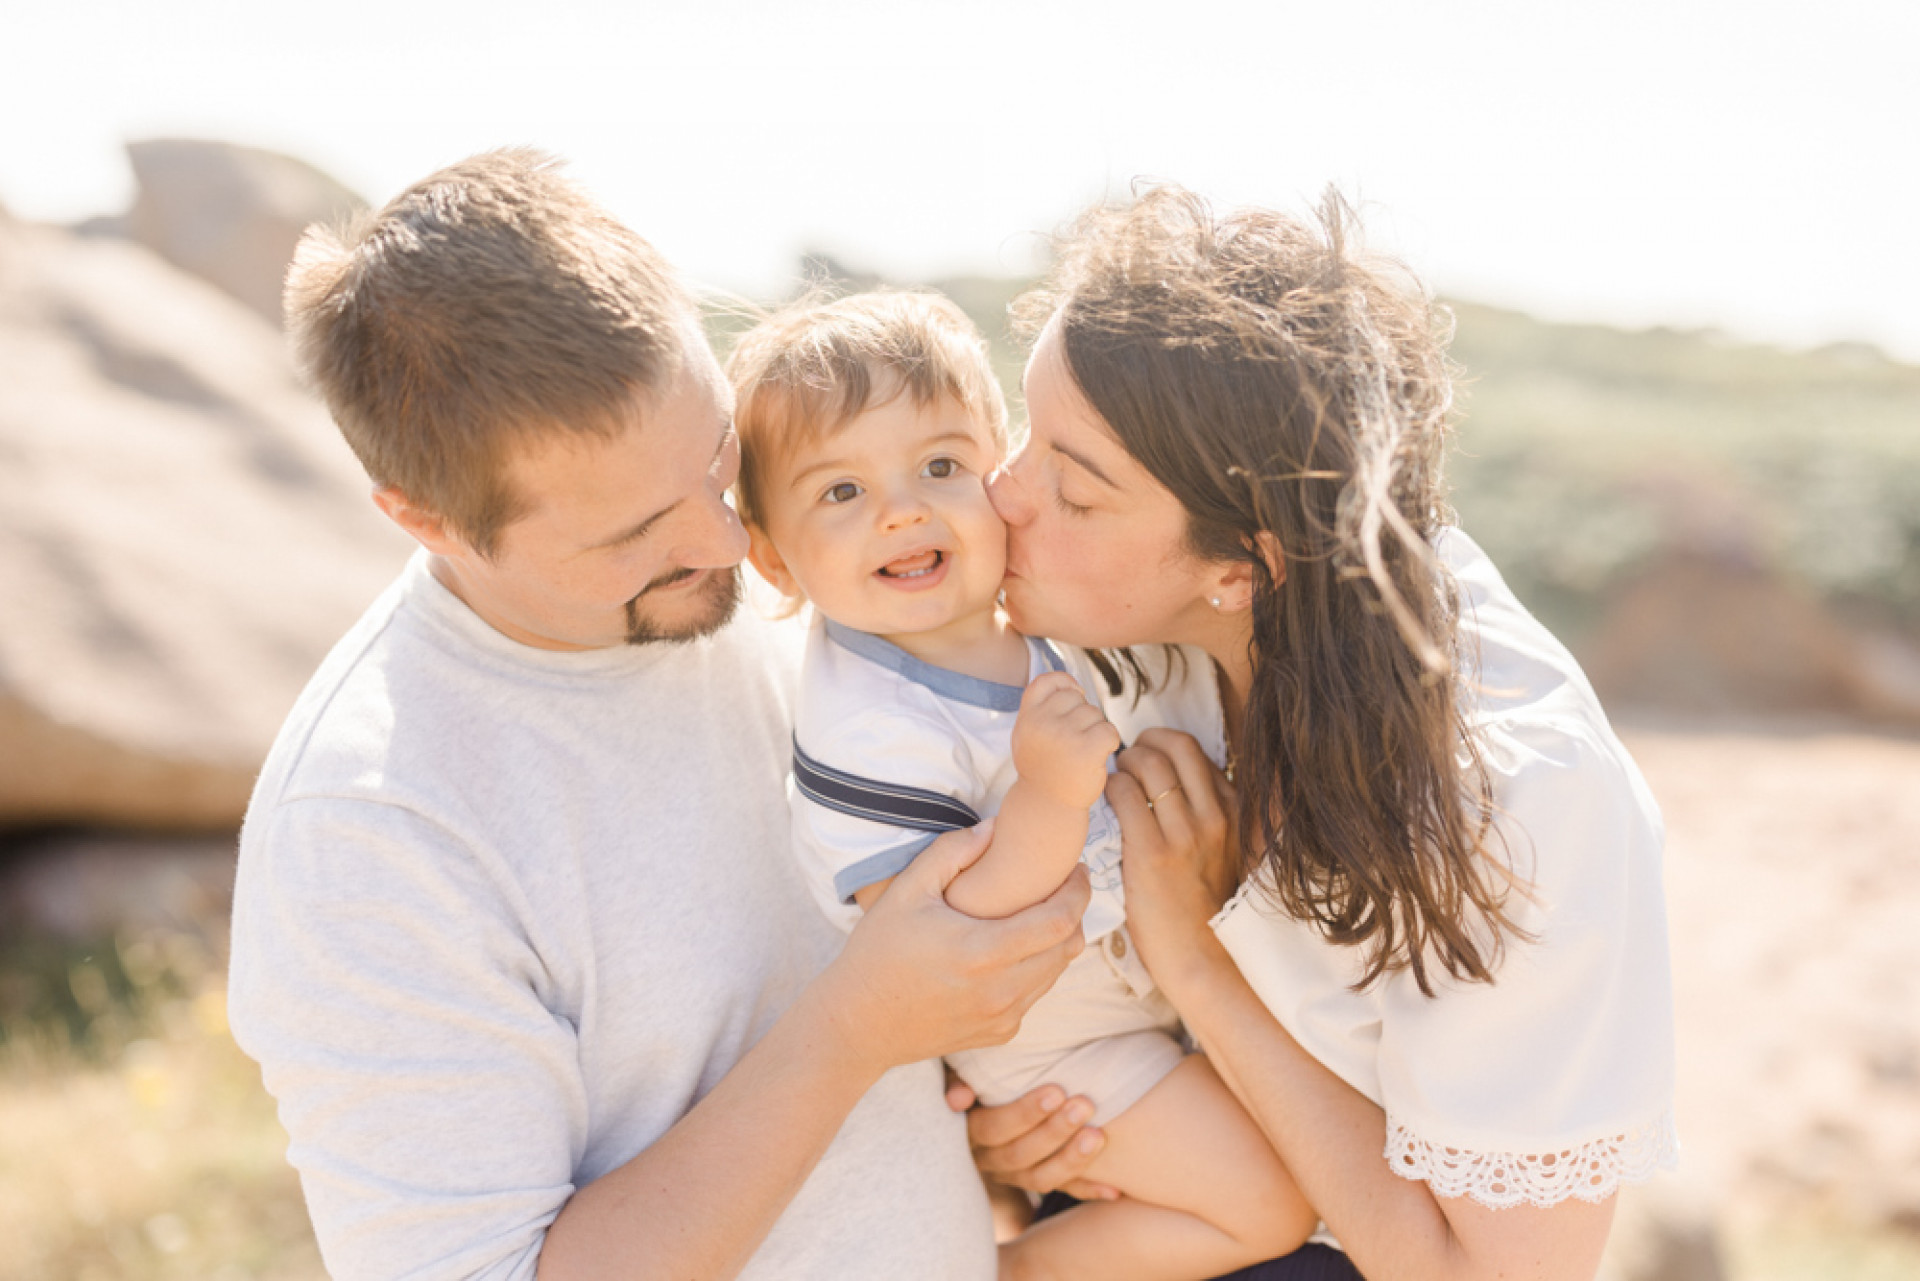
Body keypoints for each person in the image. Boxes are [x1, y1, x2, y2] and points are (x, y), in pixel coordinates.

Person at [225, 149, 1094, 1281]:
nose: (729, 545)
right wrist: (852, 1036)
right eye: (633, 534)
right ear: (424, 519)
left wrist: (986, 1132)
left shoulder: (797, 585)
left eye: (717, 464)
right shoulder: (373, 831)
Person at [963, 186, 1678, 1281]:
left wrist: (1200, 964)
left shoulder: (1515, 799)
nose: (1000, 494)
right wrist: (1007, 1140)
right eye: (1025, 434)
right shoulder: (1108, 624)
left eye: (1074, 487)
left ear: (1242, 567)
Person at [727, 291, 1315, 1280]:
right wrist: (1047, 793)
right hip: (1058, 1053)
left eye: (942, 466)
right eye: (840, 493)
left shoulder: (1048, 621)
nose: (903, 508)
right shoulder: (867, 727)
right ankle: (1017, 1269)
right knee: (1269, 1205)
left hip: (1151, 996)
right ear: (774, 559)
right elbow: (948, 932)